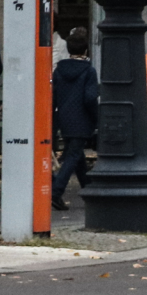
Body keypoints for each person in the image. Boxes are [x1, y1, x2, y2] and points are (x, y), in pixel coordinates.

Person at [50, 28, 97, 211]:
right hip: (82, 118)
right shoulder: (89, 71)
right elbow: (90, 98)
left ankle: (89, 190)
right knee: (73, 156)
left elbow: (53, 96)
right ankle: (56, 191)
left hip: (64, 117)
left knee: (77, 156)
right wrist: (95, 118)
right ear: (86, 50)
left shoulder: (59, 70)